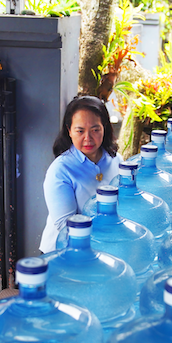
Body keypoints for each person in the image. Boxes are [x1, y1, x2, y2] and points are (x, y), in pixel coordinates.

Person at [40, 95, 121, 253]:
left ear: (104, 127)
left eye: (95, 130)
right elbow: (66, 225)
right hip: (63, 252)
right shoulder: (60, 170)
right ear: (69, 131)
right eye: (80, 131)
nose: (88, 138)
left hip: (104, 248)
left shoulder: (116, 160)